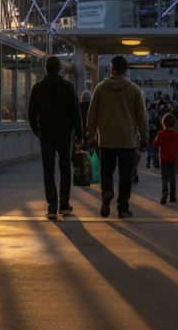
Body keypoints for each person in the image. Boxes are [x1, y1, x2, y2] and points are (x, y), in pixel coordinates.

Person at [87, 56, 148, 218]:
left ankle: (107, 192)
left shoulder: (100, 88)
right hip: (127, 141)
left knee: (106, 170)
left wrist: (91, 137)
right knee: (126, 175)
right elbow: (142, 117)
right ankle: (122, 207)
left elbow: (92, 116)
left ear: (111, 69)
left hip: (106, 139)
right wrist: (144, 138)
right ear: (126, 71)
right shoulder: (134, 90)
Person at [28, 57, 85, 220]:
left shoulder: (38, 87)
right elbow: (75, 112)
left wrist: (38, 132)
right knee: (65, 167)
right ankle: (64, 204)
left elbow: (31, 114)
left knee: (48, 170)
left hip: (46, 134)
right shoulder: (68, 87)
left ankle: (52, 207)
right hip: (64, 133)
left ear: (46, 69)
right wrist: (79, 135)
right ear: (60, 69)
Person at [152, 113, 178, 204]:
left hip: (164, 159)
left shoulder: (161, 133)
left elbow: (156, 144)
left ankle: (164, 192)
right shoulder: (177, 134)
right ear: (175, 124)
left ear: (163, 123)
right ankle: (173, 196)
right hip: (174, 160)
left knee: (164, 177)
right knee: (173, 178)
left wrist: (153, 141)